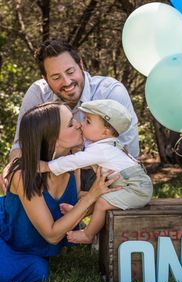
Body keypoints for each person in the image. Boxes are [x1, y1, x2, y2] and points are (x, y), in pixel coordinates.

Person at [0, 101, 119, 282]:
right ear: (52, 139)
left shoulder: (73, 162)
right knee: (37, 272)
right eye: (71, 123)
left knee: (38, 268)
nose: (80, 124)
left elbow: (76, 195)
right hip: (8, 241)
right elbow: (52, 235)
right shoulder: (23, 175)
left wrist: (108, 194)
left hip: (36, 248)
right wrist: (92, 196)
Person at [0, 38, 140, 194]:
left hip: (103, 171)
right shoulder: (38, 93)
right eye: (56, 77)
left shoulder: (110, 92)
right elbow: (21, 143)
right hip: (53, 170)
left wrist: (76, 158)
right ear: (45, 79)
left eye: (70, 72)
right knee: (23, 176)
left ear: (81, 65)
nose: (67, 82)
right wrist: (14, 166)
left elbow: (128, 152)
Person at [40, 99, 153, 244]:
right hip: (132, 186)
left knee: (102, 202)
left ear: (105, 132)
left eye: (88, 121)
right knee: (104, 197)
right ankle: (79, 213)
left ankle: (88, 234)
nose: (81, 124)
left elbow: (75, 160)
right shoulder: (106, 144)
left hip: (136, 189)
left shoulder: (101, 149)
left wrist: (47, 166)